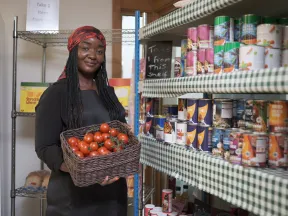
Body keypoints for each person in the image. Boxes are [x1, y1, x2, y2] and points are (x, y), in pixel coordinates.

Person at [35, 26, 128, 216]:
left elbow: (120, 135)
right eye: (85, 48)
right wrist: (85, 170)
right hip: (72, 199)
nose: (93, 55)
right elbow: (45, 147)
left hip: (112, 195)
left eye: (99, 51)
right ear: (73, 52)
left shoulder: (108, 93)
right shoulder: (56, 93)